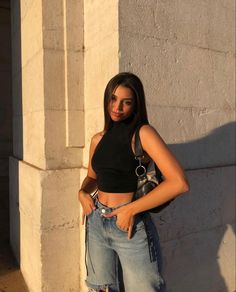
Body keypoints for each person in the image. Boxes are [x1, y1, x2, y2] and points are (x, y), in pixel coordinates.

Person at [78, 72, 189, 292]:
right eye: (113, 99)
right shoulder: (97, 139)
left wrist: (130, 210)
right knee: (102, 288)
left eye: (126, 102)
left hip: (130, 226)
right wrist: (82, 193)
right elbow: (92, 177)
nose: (117, 107)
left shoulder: (143, 133)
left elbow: (179, 182)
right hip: (96, 222)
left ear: (135, 105)